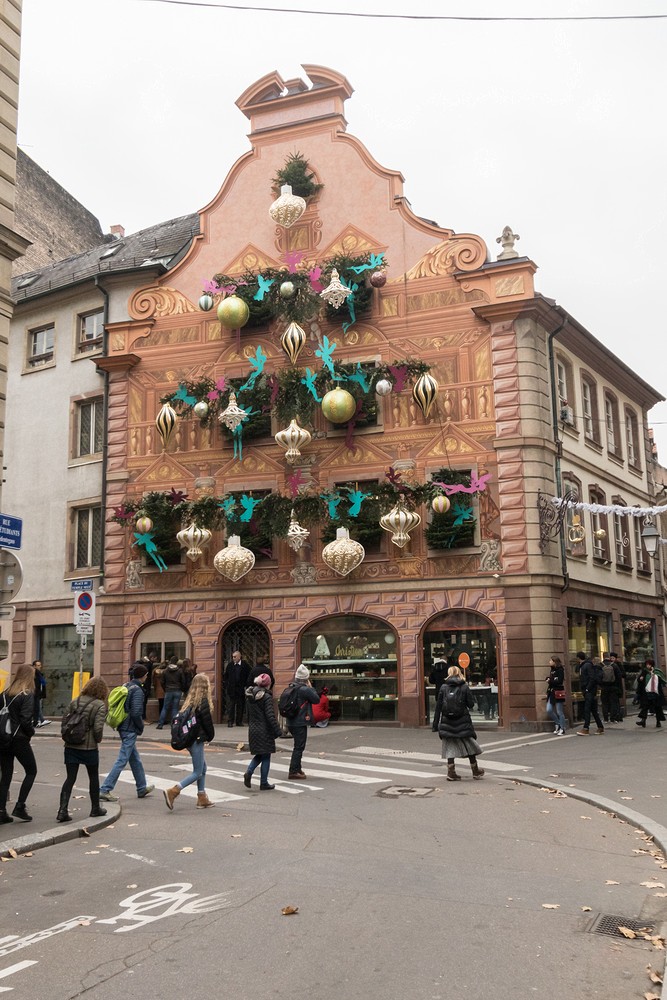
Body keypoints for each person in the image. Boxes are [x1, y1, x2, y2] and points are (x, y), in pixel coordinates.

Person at [99, 663, 154, 802]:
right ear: (143, 676)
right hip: (130, 728)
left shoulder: (127, 686)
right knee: (122, 759)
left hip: (122, 724)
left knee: (135, 759)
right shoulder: (138, 690)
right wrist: (140, 726)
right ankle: (105, 789)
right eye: (146, 675)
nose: (147, 677)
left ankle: (142, 787)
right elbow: (136, 712)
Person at [57, 676, 109, 822]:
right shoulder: (99, 705)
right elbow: (98, 728)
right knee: (93, 777)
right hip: (89, 747)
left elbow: (65, 721)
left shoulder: (76, 700)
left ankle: (62, 810)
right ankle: (95, 808)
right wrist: (97, 739)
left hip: (71, 745)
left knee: (70, 778)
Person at [163, 674, 215, 810]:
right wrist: (210, 736)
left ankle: (202, 797)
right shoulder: (202, 702)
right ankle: (173, 791)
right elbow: (207, 723)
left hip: (190, 739)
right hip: (196, 740)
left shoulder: (190, 701)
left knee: (203, 768)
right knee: (197, 771)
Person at [432, 665, 484, 780]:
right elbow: (470, 704)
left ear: (449, 673)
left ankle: (451, 772)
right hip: (463, 721)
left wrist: (435, 725)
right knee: (469, 745)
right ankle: (475, 770)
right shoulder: (464, 687)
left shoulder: (443, 687)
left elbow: (438, 706)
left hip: (447, 722)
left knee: (449, 746)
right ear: (459, 673)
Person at [0, 664, 37, 823]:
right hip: (19, 738)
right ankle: (20, 806)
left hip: (3, 738)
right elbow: (25, 719)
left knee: (6, 774)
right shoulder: (27, 694)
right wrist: (31, 733)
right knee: (31, 770)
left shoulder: (4, 694)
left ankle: (1, 811)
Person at [243, 672, 282, 790]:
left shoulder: (250, 696)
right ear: (268, 684)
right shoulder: (266, 697)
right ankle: (263, 782)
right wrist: (278, 731)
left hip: (253, 729)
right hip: (264, 729)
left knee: (260, 754)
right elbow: (270, 716)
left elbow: (248, 714)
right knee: (266, 756)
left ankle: (249, 772)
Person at [287, 664, 320, 779]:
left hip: (290, 721)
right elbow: (316, 699)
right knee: (299, 747)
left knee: (298, 745)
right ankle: (293, 771)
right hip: (300, 721)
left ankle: (297, 768)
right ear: (306, 678)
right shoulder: (304, 689)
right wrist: (310, 687)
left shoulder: (291, 687)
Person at [576, 651, 604, 735]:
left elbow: (592, 678)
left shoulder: (587, 665)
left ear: (578, 658)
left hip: (590, 690)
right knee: (593, 710)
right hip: (589, 690)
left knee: (587, 709)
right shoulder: (584, 665)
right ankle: (600, 727)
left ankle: (586, 728)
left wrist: (587, 689)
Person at [156, 656, 185, 729]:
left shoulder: (165, 671)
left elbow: (162, 682)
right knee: (175, 708)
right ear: (176, 662)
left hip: (168, 690)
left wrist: (165, 689)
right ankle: (174, 725)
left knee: (165, 707)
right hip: (177, 690)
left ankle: (160, 724)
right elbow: (183, 681)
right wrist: (181, 688)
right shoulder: (180, 671)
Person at [635, 659, 665, 729]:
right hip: (646, 693)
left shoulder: (656, 671)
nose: (648, 666)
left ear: (652, 665)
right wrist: (640, 679)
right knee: (645, 707)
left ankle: (658, 722)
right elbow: (639, 680)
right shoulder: (644, 672)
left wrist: (655, 677)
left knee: (657, 708)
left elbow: (661, 680)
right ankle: (643, 721)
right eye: (647, 664)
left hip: (655, 693)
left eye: (649, 664)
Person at [224, 650, 250, 727]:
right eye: (233, 657)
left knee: (240, 706)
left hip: (241, 689)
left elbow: (249, 675)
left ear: (239, 657)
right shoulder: (230, 665)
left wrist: (246, 685)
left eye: (235, 657)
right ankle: (230, 721)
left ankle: (239, 721)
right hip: (232, 689)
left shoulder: (245, 665)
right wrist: (227, 685)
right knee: (231, 706)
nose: (233, 658)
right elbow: (226, 676)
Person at [545, 656, 567, 734]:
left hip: (558, 692)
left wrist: (551, 680)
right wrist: (549, 679)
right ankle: (557, 723)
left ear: (555, 661)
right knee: (549, 709)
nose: (549, 662)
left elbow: (559, 680)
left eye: (551, 660)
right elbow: (553, 679)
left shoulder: (560, 670)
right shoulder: (552, 670)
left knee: (559, 711)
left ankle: (562, 728)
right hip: (551, 692)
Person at [599, 652, 622, 725]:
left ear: (603, 657)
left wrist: (600, 685)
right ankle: (612, 719)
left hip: (604, 687)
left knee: (604, 703)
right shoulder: (614, 665)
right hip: (613, 687)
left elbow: (597, 677)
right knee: (613, 703)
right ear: (609, 657)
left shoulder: (600, 665)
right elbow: (619, 676)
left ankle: (605, 719)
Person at [32, 659, 49, 727]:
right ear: (34, 666)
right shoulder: (35, 674)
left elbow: (42, 684)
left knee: (38, 707)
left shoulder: (39, 674)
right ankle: (38, 721)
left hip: (38, 693)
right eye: (38, 665)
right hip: (36, 693)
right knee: (37, 707)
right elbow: (37, 685)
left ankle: (40, 720)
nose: (40, 666)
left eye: (40, 665)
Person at [609, 652, 625, 721]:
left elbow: (623, 675)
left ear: (615, 658)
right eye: (611, 658)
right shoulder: (609, 664)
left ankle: (618, 716)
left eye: (613, 658)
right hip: (612, 686)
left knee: (616, 702)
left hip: (617, 686)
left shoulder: (618, 664)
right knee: (614, 702)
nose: (612, 659)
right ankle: (616, 716)